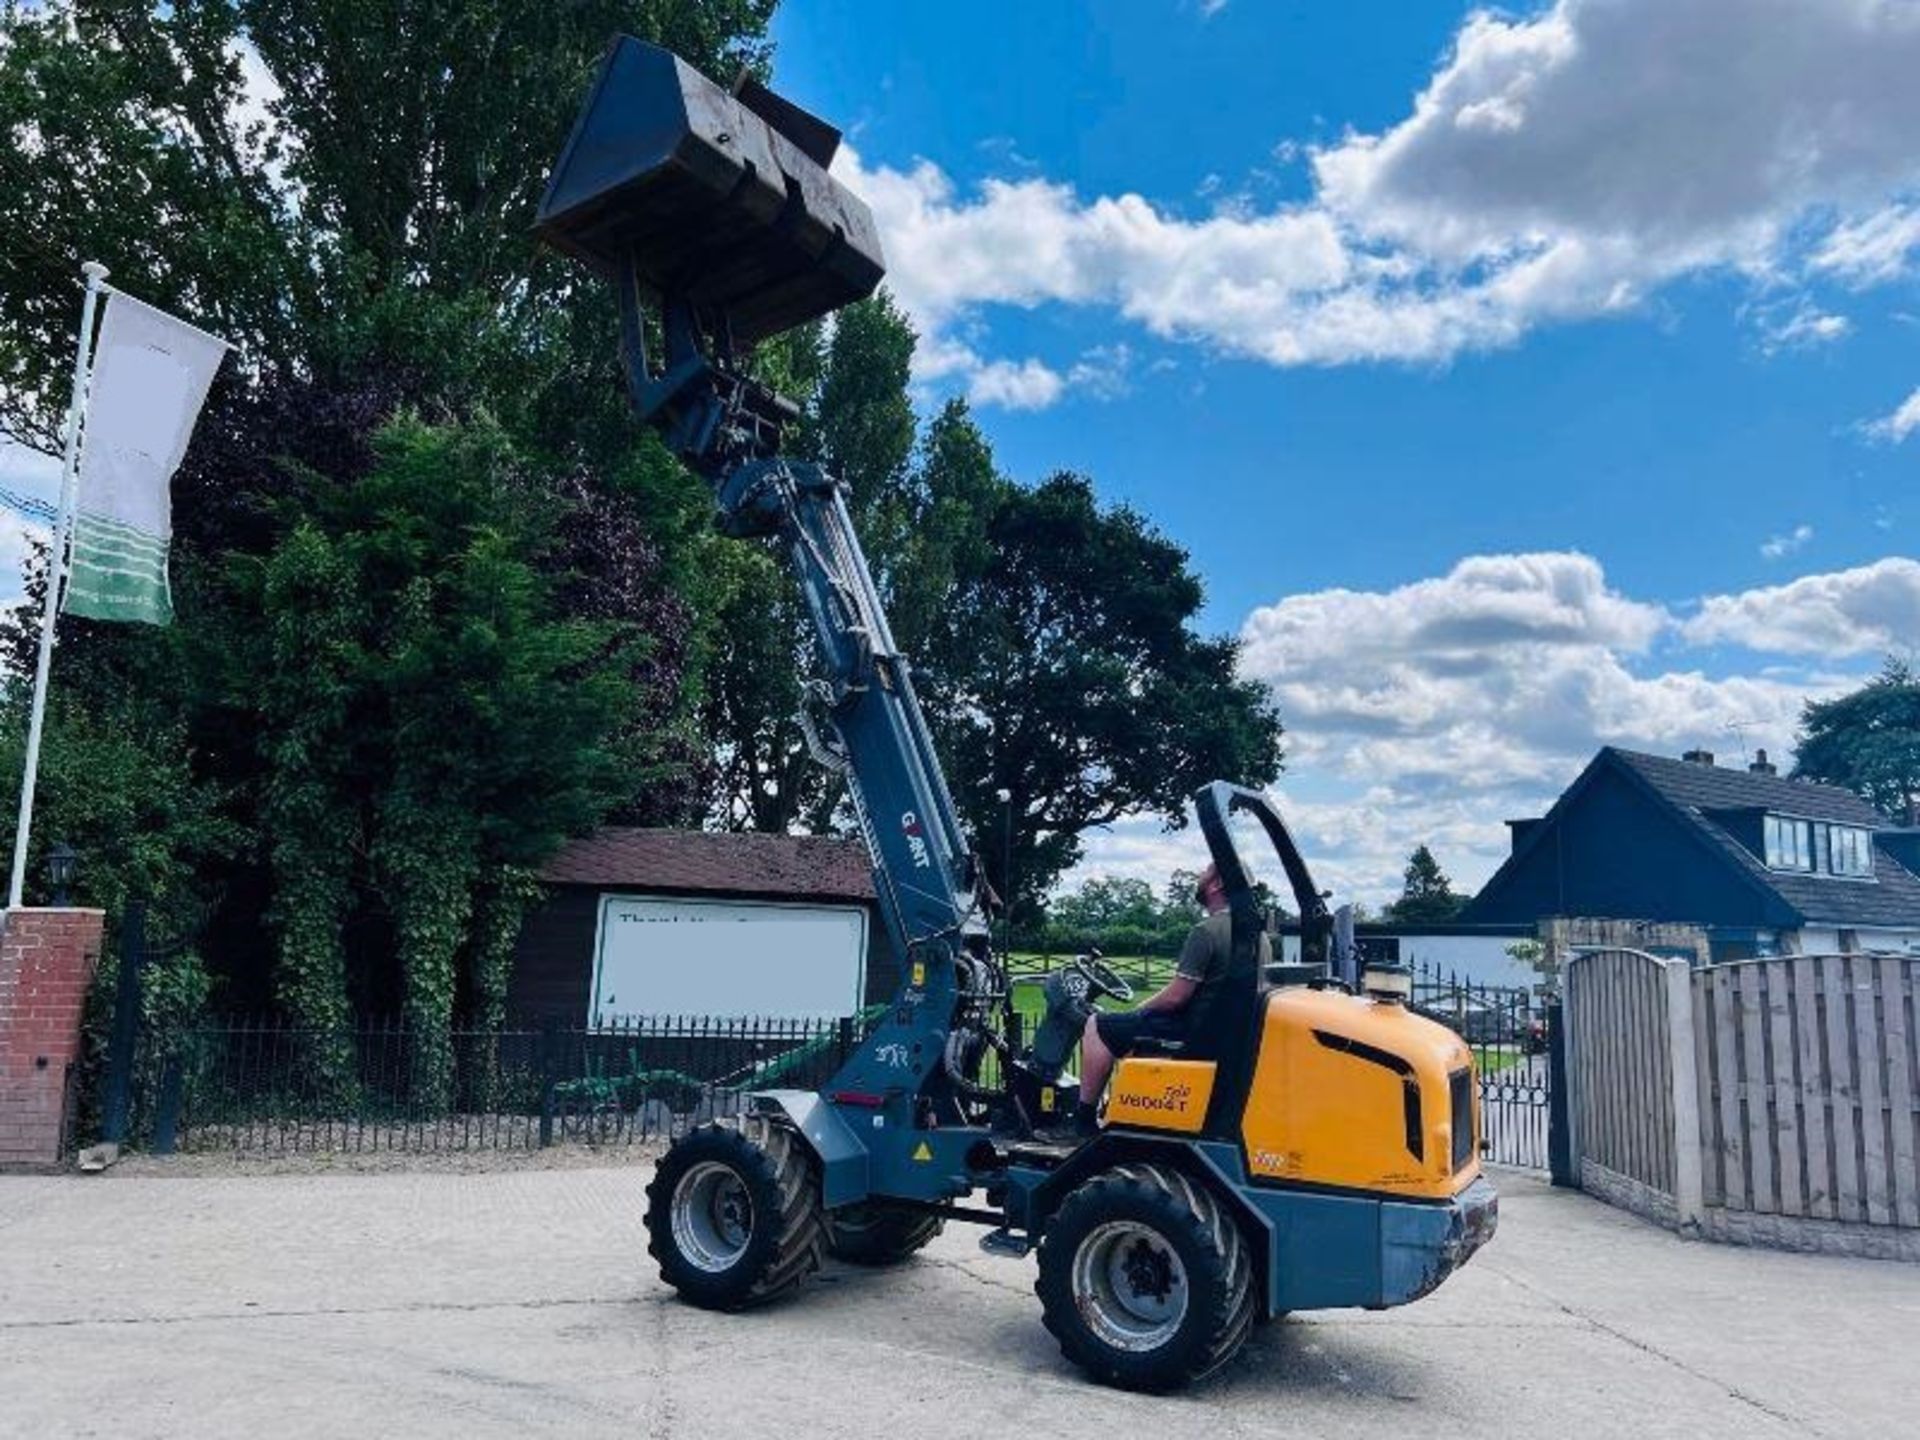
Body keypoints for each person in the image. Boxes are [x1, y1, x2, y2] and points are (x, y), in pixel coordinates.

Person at [1060, 862, 1267, 1139]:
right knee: (1124, 1028)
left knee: (1097, 1025)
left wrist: (1138, 1011)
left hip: (1190, 1033)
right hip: (1222, 1036)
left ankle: (1083, 1121)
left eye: (1204, 872)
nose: (1199, 876)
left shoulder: (1206, 931)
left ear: (1217, 884)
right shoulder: (1259, 937)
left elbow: (1176, 996)